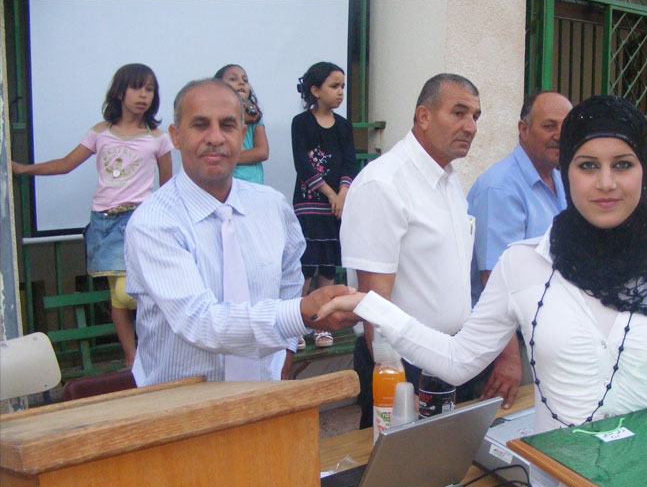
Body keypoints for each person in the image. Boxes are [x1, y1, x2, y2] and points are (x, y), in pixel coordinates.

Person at [321, 95, 647, 487]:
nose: (606, 183)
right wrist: (372, 306)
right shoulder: (523, 263)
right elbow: (457, 361)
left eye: (622, 164)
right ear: (567, 170)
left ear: (644, 170)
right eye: (587, 165)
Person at [124, 78, 357, 387]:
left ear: (242, 134)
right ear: (176, 136)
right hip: (181, 406)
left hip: (264, 394)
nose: (215, 138)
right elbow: (199, 322)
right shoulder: (154, 221)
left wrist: (284, 358)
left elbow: (289, 284)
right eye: (200, 125)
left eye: (228, 125)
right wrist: (300, 313)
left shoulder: (272, 206)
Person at [340, 73, 483, 429]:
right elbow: (374, 303)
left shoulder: (449, 180)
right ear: (424, 116)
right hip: (402, 365)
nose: (470, 127)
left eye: (475, 116)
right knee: (398, 463)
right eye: (459, 113)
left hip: (451, 356)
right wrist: (398, 388)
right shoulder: (384, 183)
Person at [11, 63, 173, 369]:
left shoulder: (158, 138)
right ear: (120, 92)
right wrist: (23, 169)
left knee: (127, 294)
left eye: (150, 89)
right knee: (117, 294)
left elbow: (167, 187)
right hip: (103, 222)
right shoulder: (100, 132)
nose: (144, 95)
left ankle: (155, 348)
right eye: (137, 87)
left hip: (137, 220)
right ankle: (131, 357)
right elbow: (66, 164)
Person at [467, 91, 572, 406]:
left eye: (566, 127)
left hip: (547, 335)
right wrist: (508, 358)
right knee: (513, 425)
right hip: (510, 344)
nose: (559, 135)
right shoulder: (501, 187)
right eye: (549, 126)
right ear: (523, 129)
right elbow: (494, 281)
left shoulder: (561, 181)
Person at [292, 62, 357, 349]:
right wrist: (331, 194)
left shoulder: (343, 126)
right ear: (316, 90)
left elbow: (349, 162)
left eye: (342, 86)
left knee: (328, 265)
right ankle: (296, 324)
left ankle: (322, 323)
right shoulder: (301, 123)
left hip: (336, 207)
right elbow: (302, 164)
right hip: (309, 205)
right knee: (306, 266)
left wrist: (343, 193)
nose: (340, 92)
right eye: (334, 86)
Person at [214, 64, 269, 184]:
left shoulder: (255, 119)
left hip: (253, 184)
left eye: (245, 80)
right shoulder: (214, 117)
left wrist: (227, 158)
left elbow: (262, 152)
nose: (241, 83)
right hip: (225, 183)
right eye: (233, 79)